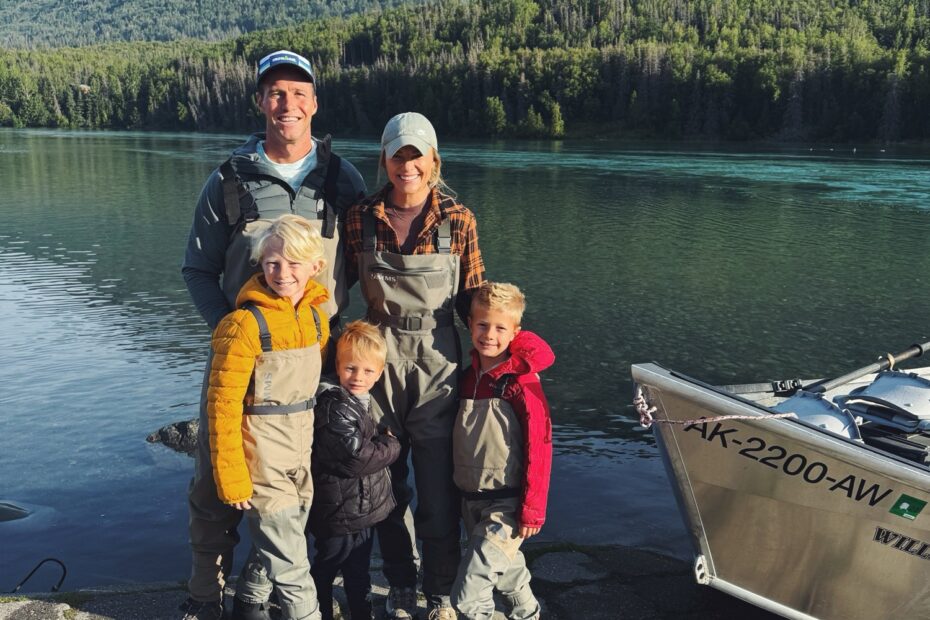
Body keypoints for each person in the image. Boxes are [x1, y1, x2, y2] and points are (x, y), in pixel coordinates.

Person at [180, 49, 366, 620]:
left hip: (312, 363)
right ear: (260, 101)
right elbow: (198, 269)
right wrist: (236, 334)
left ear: (315, 102)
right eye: (276, 92)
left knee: (297, 488)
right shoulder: (228, 179)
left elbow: (361, 266)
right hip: (242, 359)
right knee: (215, 490)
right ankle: (204, 599)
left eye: (298, 92)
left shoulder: (343, 179)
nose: (288, 103)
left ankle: (260, 594)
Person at [344, 112, 487, 620]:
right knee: (384, 481)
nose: (408, 165)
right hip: (376, 358)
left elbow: (475, 300)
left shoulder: (458, 219)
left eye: (416, 155)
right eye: (398, 155)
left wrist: (502, 362)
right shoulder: (360, 217)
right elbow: (333, 291)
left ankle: (440, 588)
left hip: (438, 360)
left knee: (438, 486)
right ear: (384, 159)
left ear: (434, 160)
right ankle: (402, 582)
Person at [204, 214, 330, 620]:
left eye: (294, 262)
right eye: (273, 263)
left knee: (284, 537)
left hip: (301, 450)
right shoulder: (242, 325)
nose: (283, 273)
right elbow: (222, 407)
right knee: (291, 561)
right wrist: (231, 477)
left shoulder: (317, 319)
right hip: (260, 453)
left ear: (316, 266)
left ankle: (249, 600)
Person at [449, 282, 554, 620]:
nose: (489, 335)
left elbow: (541, 446)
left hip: (508, 503)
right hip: (471, 499)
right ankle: (527, 612)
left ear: (515, 333)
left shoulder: (522, 383)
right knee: (506, 568)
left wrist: (532, 510)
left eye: (500, 328)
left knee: (468, 595)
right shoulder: (466, 378)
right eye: (482, 325)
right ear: (470, 324)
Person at [309, 320, 401, 620]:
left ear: (379, 372)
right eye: (350, 368)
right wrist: (391, 446)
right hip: (337, 510)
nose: (358, 377)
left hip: (358, 509)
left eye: (367, 371)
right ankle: (319, 610)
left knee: (358, 567)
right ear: (337, 365)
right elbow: (355, 459)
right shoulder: (334, 404)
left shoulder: (360, 401)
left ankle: (361, 611)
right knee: (327, 564)